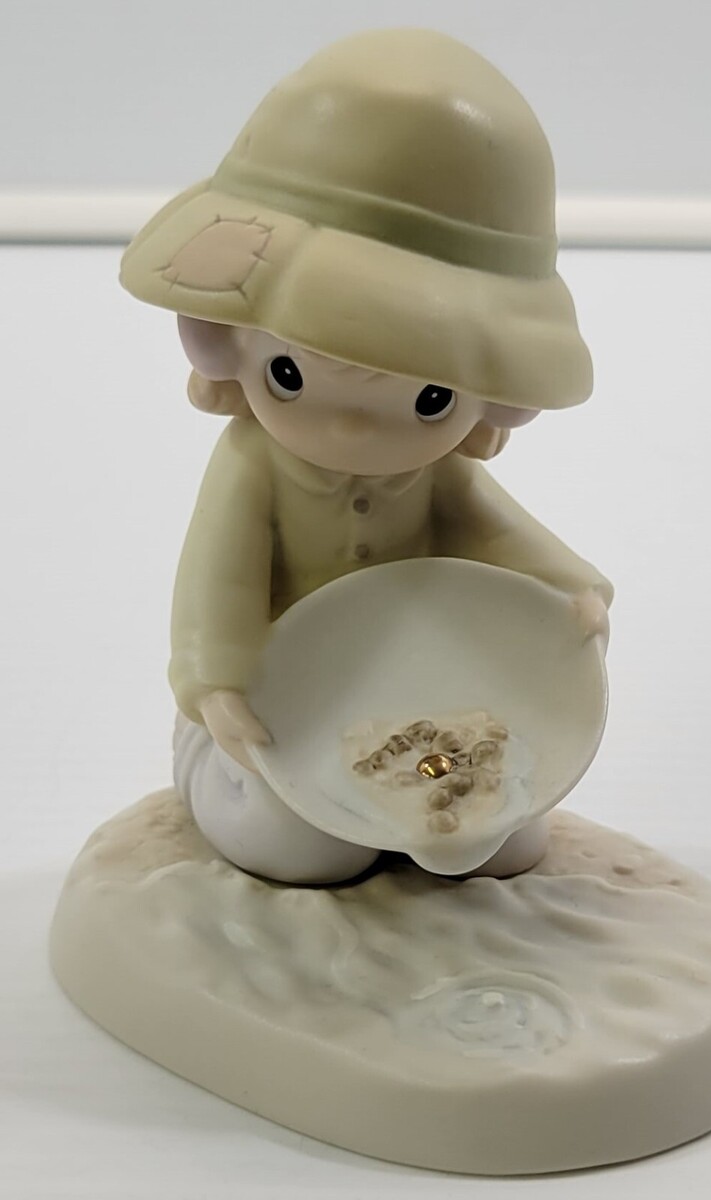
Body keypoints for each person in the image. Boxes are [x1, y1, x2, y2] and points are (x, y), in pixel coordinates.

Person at [119, 29, 612, 883]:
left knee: (510, 837)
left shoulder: (441, 474)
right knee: (306, 849)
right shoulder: (252, 469)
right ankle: (210, 779)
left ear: (494, 395)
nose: (352, 434)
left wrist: (570, 588)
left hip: (410, 680)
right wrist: (214, 684)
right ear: (226, 343)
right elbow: (217, 578)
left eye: (428, 401)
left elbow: (495, 530)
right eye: (289, 375)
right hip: (284, 695)